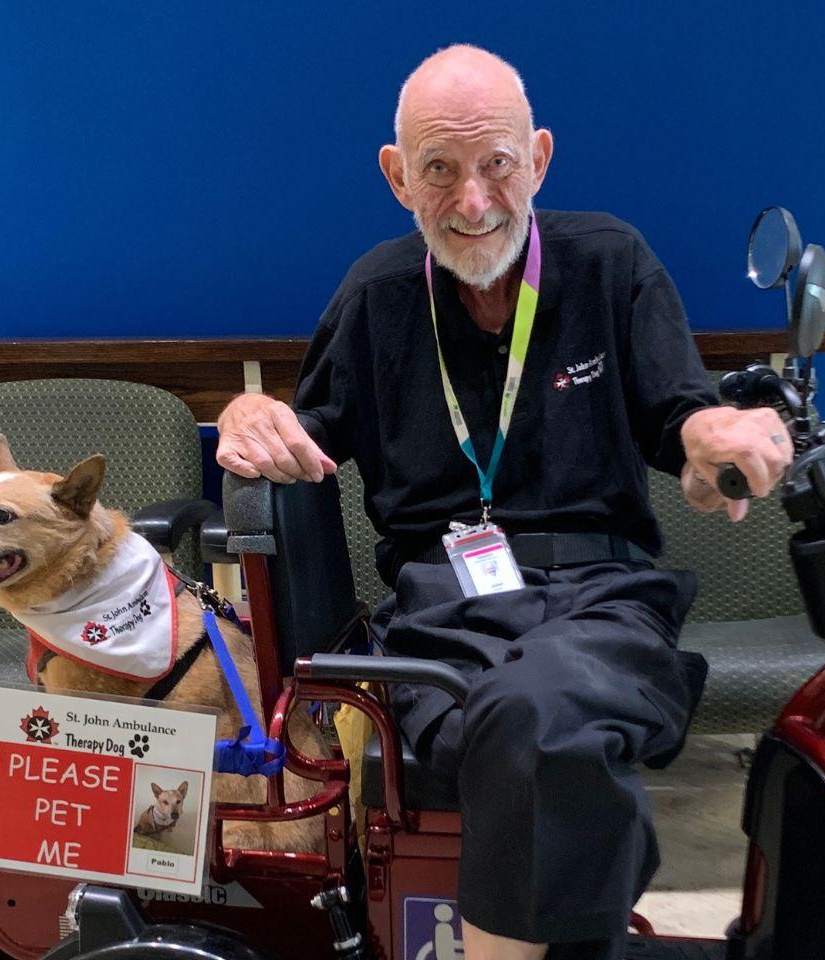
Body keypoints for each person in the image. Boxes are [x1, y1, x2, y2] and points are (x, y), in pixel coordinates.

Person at [216, 44, 788, 960]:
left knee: (536, 711)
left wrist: (712, 436)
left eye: (497, 165)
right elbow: (301, 435)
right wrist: (248, 412)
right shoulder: (375, 294)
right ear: (398, 176)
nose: (473, 201)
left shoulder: (611, 262)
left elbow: (681, 416)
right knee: (532, 716)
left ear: (542, 160)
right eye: (439, 169)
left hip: (600, 596)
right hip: (445, 614)